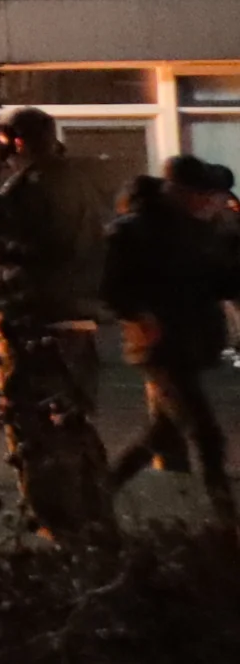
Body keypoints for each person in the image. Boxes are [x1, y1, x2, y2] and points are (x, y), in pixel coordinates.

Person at [0, 106, 117, 544]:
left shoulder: (28, 186)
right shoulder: (83, 179)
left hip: (33, 318)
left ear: (13, 141)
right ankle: (97, 521)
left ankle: (58, 529)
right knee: (73, 423)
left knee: (34, 428)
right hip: (78, 316)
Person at [104, 154, 237, 526]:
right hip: (159, 345)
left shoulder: (196, 231)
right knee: (205, 432)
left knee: (162, 432)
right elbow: (111, 285)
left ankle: (98, 495)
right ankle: (225, 518)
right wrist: (141, 315)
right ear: (179, 192)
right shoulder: (134, 230)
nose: (212, 203)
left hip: (190, 339)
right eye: (205, 195)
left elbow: (216, 281)